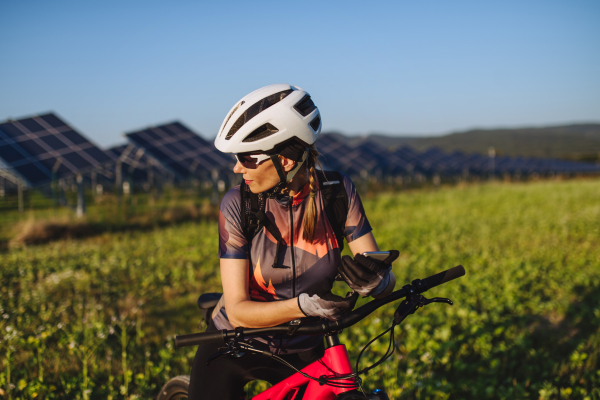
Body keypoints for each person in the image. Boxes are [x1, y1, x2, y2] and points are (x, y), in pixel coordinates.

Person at [187, 84, 398, 399]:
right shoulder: (237, 203)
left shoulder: (338, 192)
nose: (236, 167)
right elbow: (238, 311)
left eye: (247, 157)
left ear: (284, 160)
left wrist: (378, 282)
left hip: (306, 345)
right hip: (235, 341)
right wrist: (302, 306)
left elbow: (375, 264)